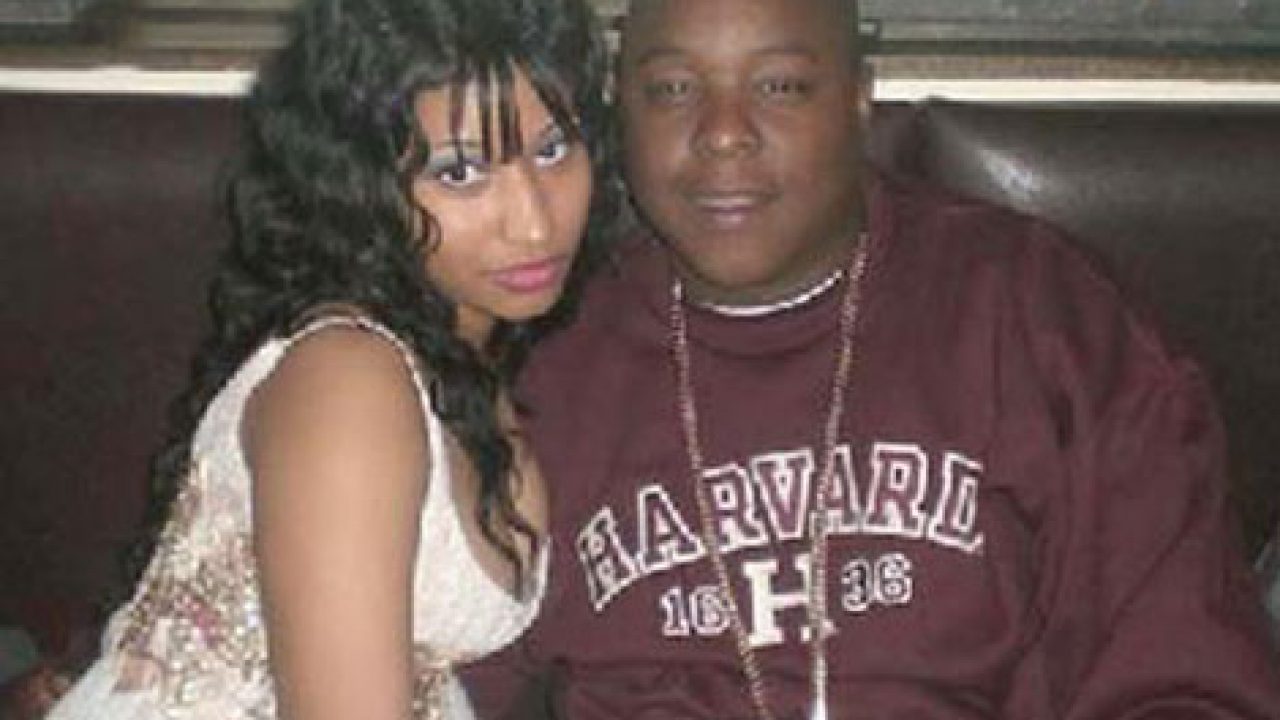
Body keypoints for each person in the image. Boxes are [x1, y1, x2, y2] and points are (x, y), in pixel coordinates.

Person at [464, 0, 1280, 717]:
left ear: (859, 98)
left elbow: (1186, 679)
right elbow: (446, 674)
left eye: (780, 85)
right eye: (672, 89)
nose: (722, 133)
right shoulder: (544, 358)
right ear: (619, 111)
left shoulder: (1041, 318)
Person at [43, 0, 617, 718]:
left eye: (553, 150)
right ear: (362, 182)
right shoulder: (351, 380)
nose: (534, 221)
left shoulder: (470, 350)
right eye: (461, 172)